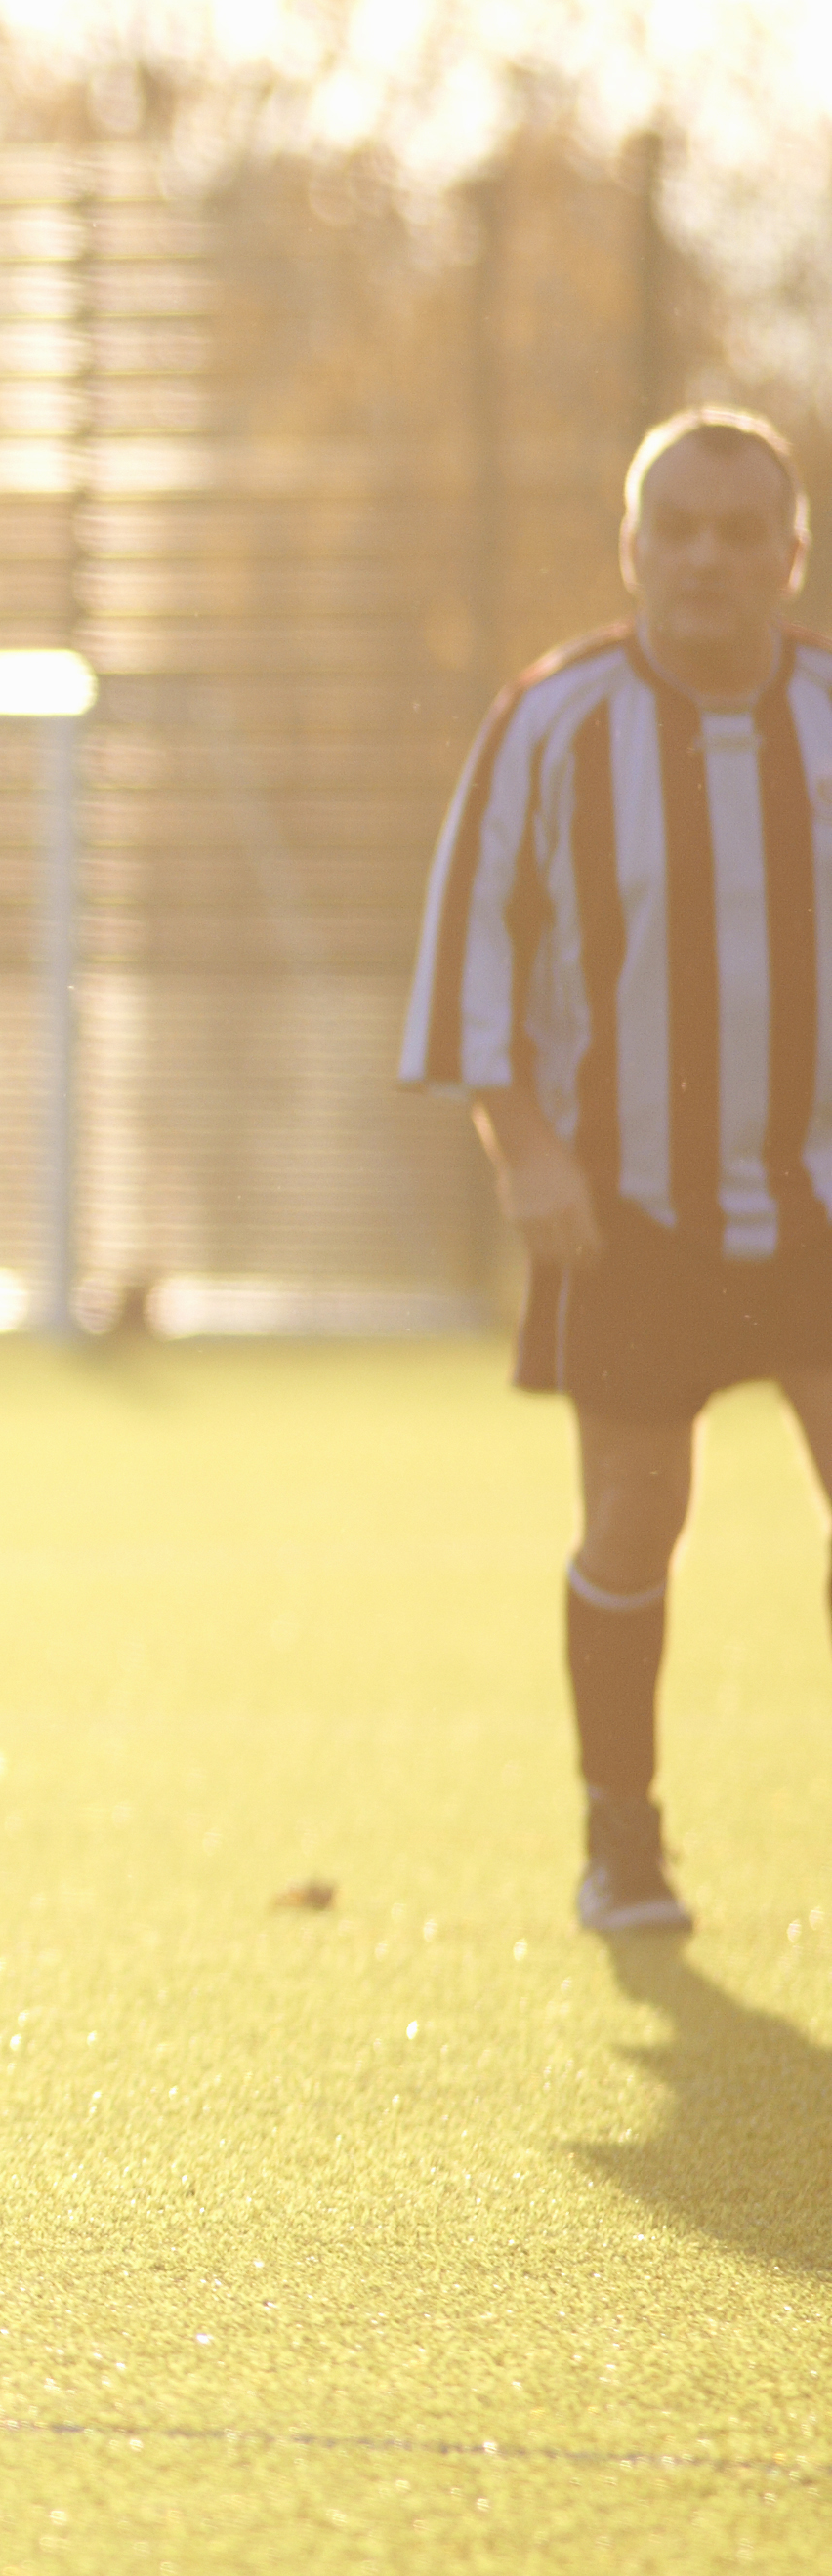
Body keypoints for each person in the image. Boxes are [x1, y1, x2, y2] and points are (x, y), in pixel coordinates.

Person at [402, 406, 832, 1939]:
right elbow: (471, 959)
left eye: (742, 534)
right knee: (638, 1520)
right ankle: (622, 1841)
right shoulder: (552, 720)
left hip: (818, 1201)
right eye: (679, 531)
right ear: (633, 549)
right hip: (630, 1206)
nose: (708, 558)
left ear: (792, 557)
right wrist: (521, 1147)